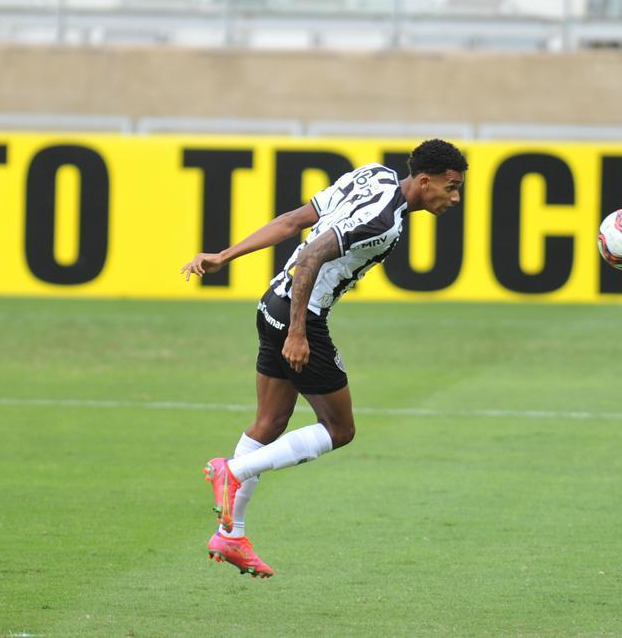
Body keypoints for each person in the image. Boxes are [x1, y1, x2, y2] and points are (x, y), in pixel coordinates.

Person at [179, 138, 468, 578]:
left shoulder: (374, 174)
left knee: (270, 423)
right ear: (425, 181)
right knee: (340, 428)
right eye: (451, 187)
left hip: (271, 303)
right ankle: (231, 470)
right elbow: (311, 256)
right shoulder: (385, 221)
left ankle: (231, 535)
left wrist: (225, 255)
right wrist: (298, 333)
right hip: (299, 316)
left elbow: (295, 220)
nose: (455, 198)